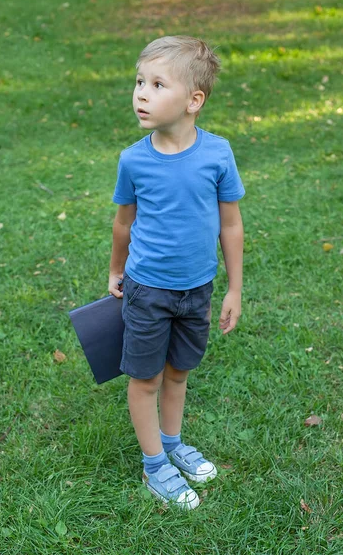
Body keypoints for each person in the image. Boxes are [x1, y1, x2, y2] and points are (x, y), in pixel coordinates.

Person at [108, 35, 245, 509]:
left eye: (157, 83)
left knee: (179, 374)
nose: (141, 93)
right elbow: (123, 222)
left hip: (198, 289)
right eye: (139, 81)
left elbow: (230, 223)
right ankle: (154, 467)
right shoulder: (134, 160)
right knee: (145, 379)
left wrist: (234, 289)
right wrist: (115, 271)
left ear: (193, 100)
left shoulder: (217, 154)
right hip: (147, 290)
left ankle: (170, 444)